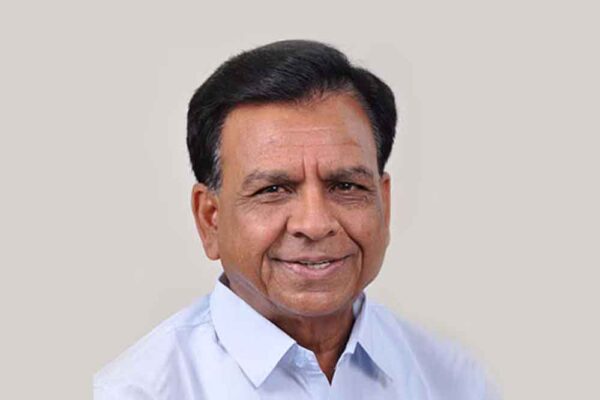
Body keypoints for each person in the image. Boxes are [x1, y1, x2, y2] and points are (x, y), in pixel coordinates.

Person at [94, 40, 499, 399]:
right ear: (210, 219)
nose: (315, 223)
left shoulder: (456, 381)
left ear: (384, 203)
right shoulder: (136, 391)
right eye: (273, 189)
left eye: (346, 185)